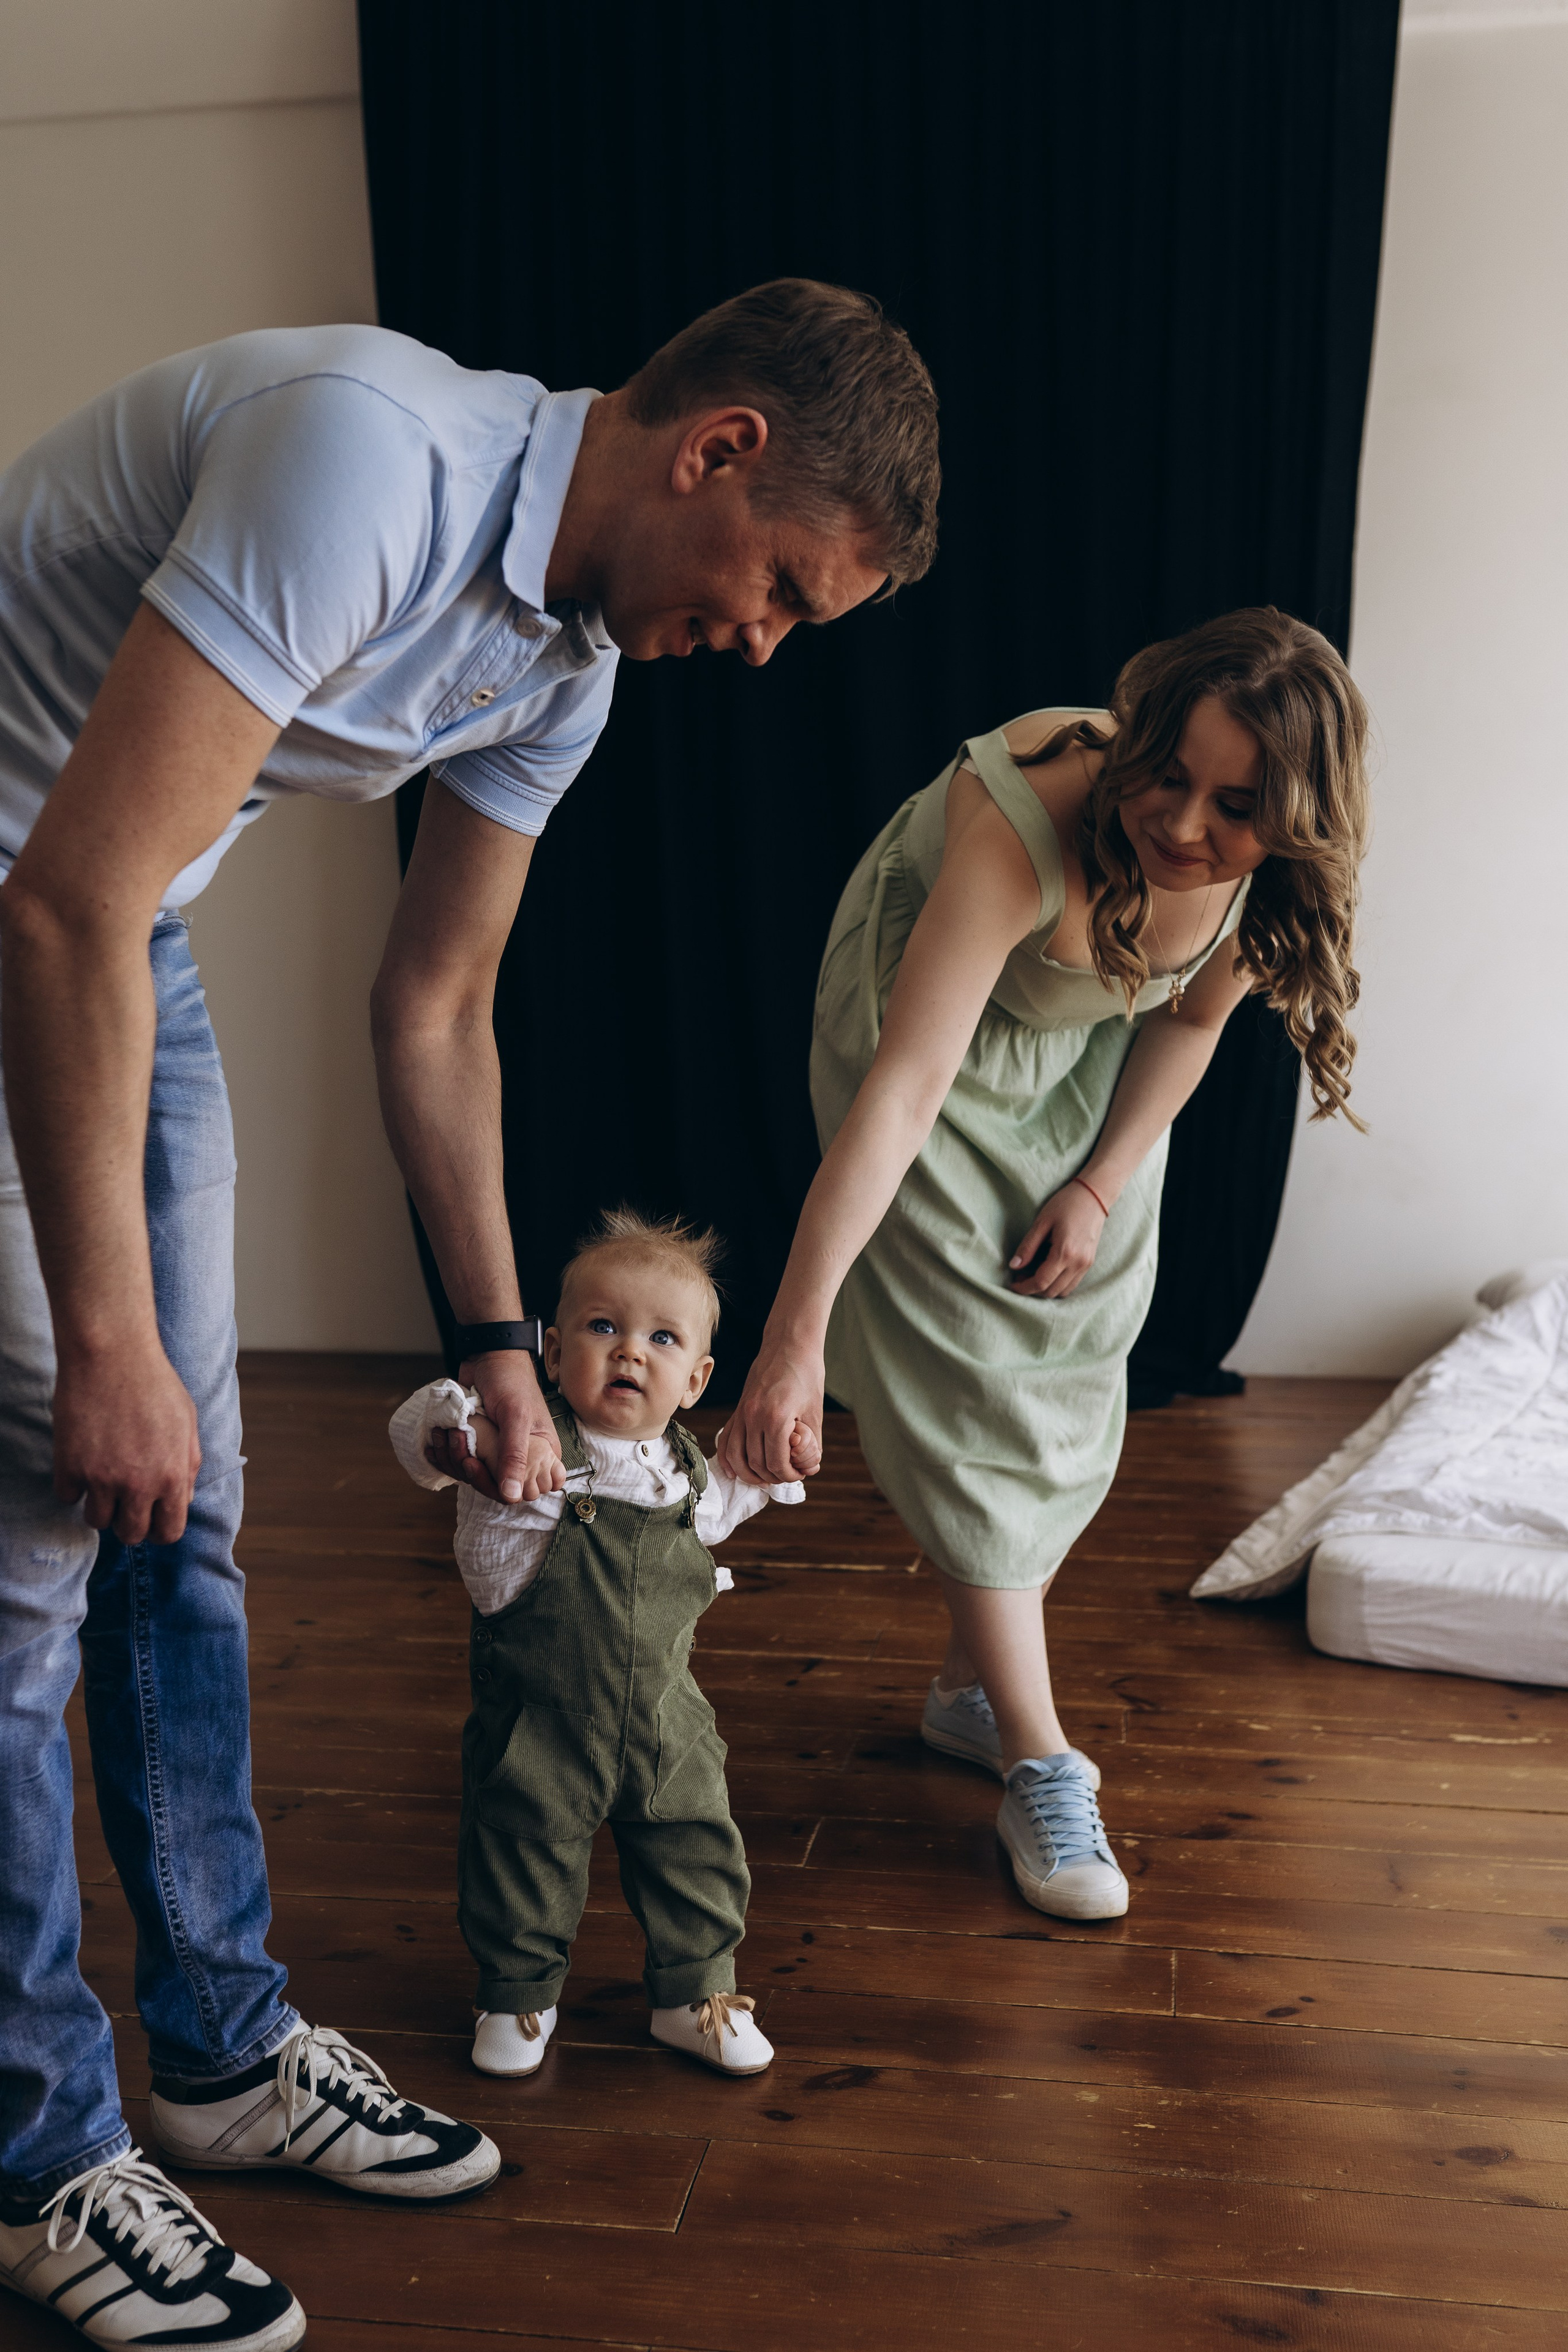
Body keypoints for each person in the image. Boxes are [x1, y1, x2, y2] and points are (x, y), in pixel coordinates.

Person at [0, 282, 938, 2345]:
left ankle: (227, 2053)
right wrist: (109, 1335)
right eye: (779, 587)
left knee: (188, 1509)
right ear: (717, 449)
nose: (763, 644)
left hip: (112, 920)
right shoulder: (369, 458)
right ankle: (44, 2155)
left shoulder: (568, 663)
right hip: (39, 910)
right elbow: (55, 896)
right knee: (39, 1544)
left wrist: (506, 1347)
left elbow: (435, 1007)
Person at [721, 608, 1370, 1926]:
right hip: (931, 1036)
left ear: (1293, 822)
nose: (1182, 824)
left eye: (1234, 807)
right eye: (1168, 773)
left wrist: (1095, 1183)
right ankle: (1036, 1752)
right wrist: (793, 1340)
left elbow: (1187, 1024)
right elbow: (901, 1094)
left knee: (1073, 1344)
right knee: (978, 1378)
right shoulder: (1026, 831)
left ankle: (969, 1690)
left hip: (1088, 1038)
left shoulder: (1263, 881)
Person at [390, 1209, 805, 2083]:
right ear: (549, 1352)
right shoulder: (518, 1450)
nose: (629, 1352)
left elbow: (739, 1499)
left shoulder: (690, 1474)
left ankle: (696, 1995)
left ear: (695, 1380)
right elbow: (422, 1437)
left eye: (661, 1338)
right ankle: (517, 1992)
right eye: (602, 1327)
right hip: (541, 1719)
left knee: (696, 1845)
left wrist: (780, 1461)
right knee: (523, 1846)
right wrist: (458, 1433)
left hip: (667, 1720)